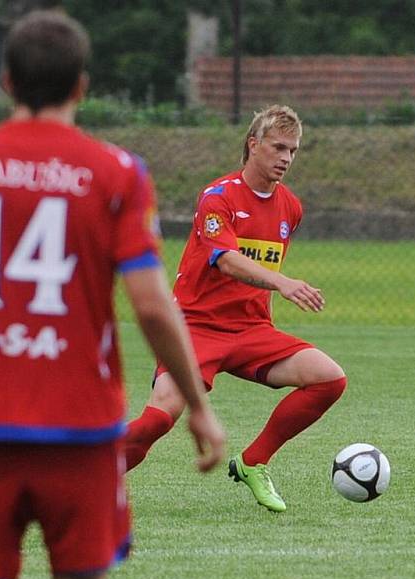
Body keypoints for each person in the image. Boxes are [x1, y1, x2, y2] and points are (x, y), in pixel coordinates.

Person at [0, 10, 225, 579]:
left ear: (7, 82)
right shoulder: (118, 173)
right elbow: (150, 306)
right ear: (81, 87)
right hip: (84, 432)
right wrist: (196, 404)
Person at [124, 104, 346, 513]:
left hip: (251, 331)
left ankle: (253, 462)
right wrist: (283, 282)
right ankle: (88, 473)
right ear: (253, 145)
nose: (285, 158)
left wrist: (271, 302)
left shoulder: (290, 207)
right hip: (194, 328)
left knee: (329, 379)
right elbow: (226, 260)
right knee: (157, 420)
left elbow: (257, 272)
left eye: (293, 151)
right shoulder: (218, 197)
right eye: (278, 147)